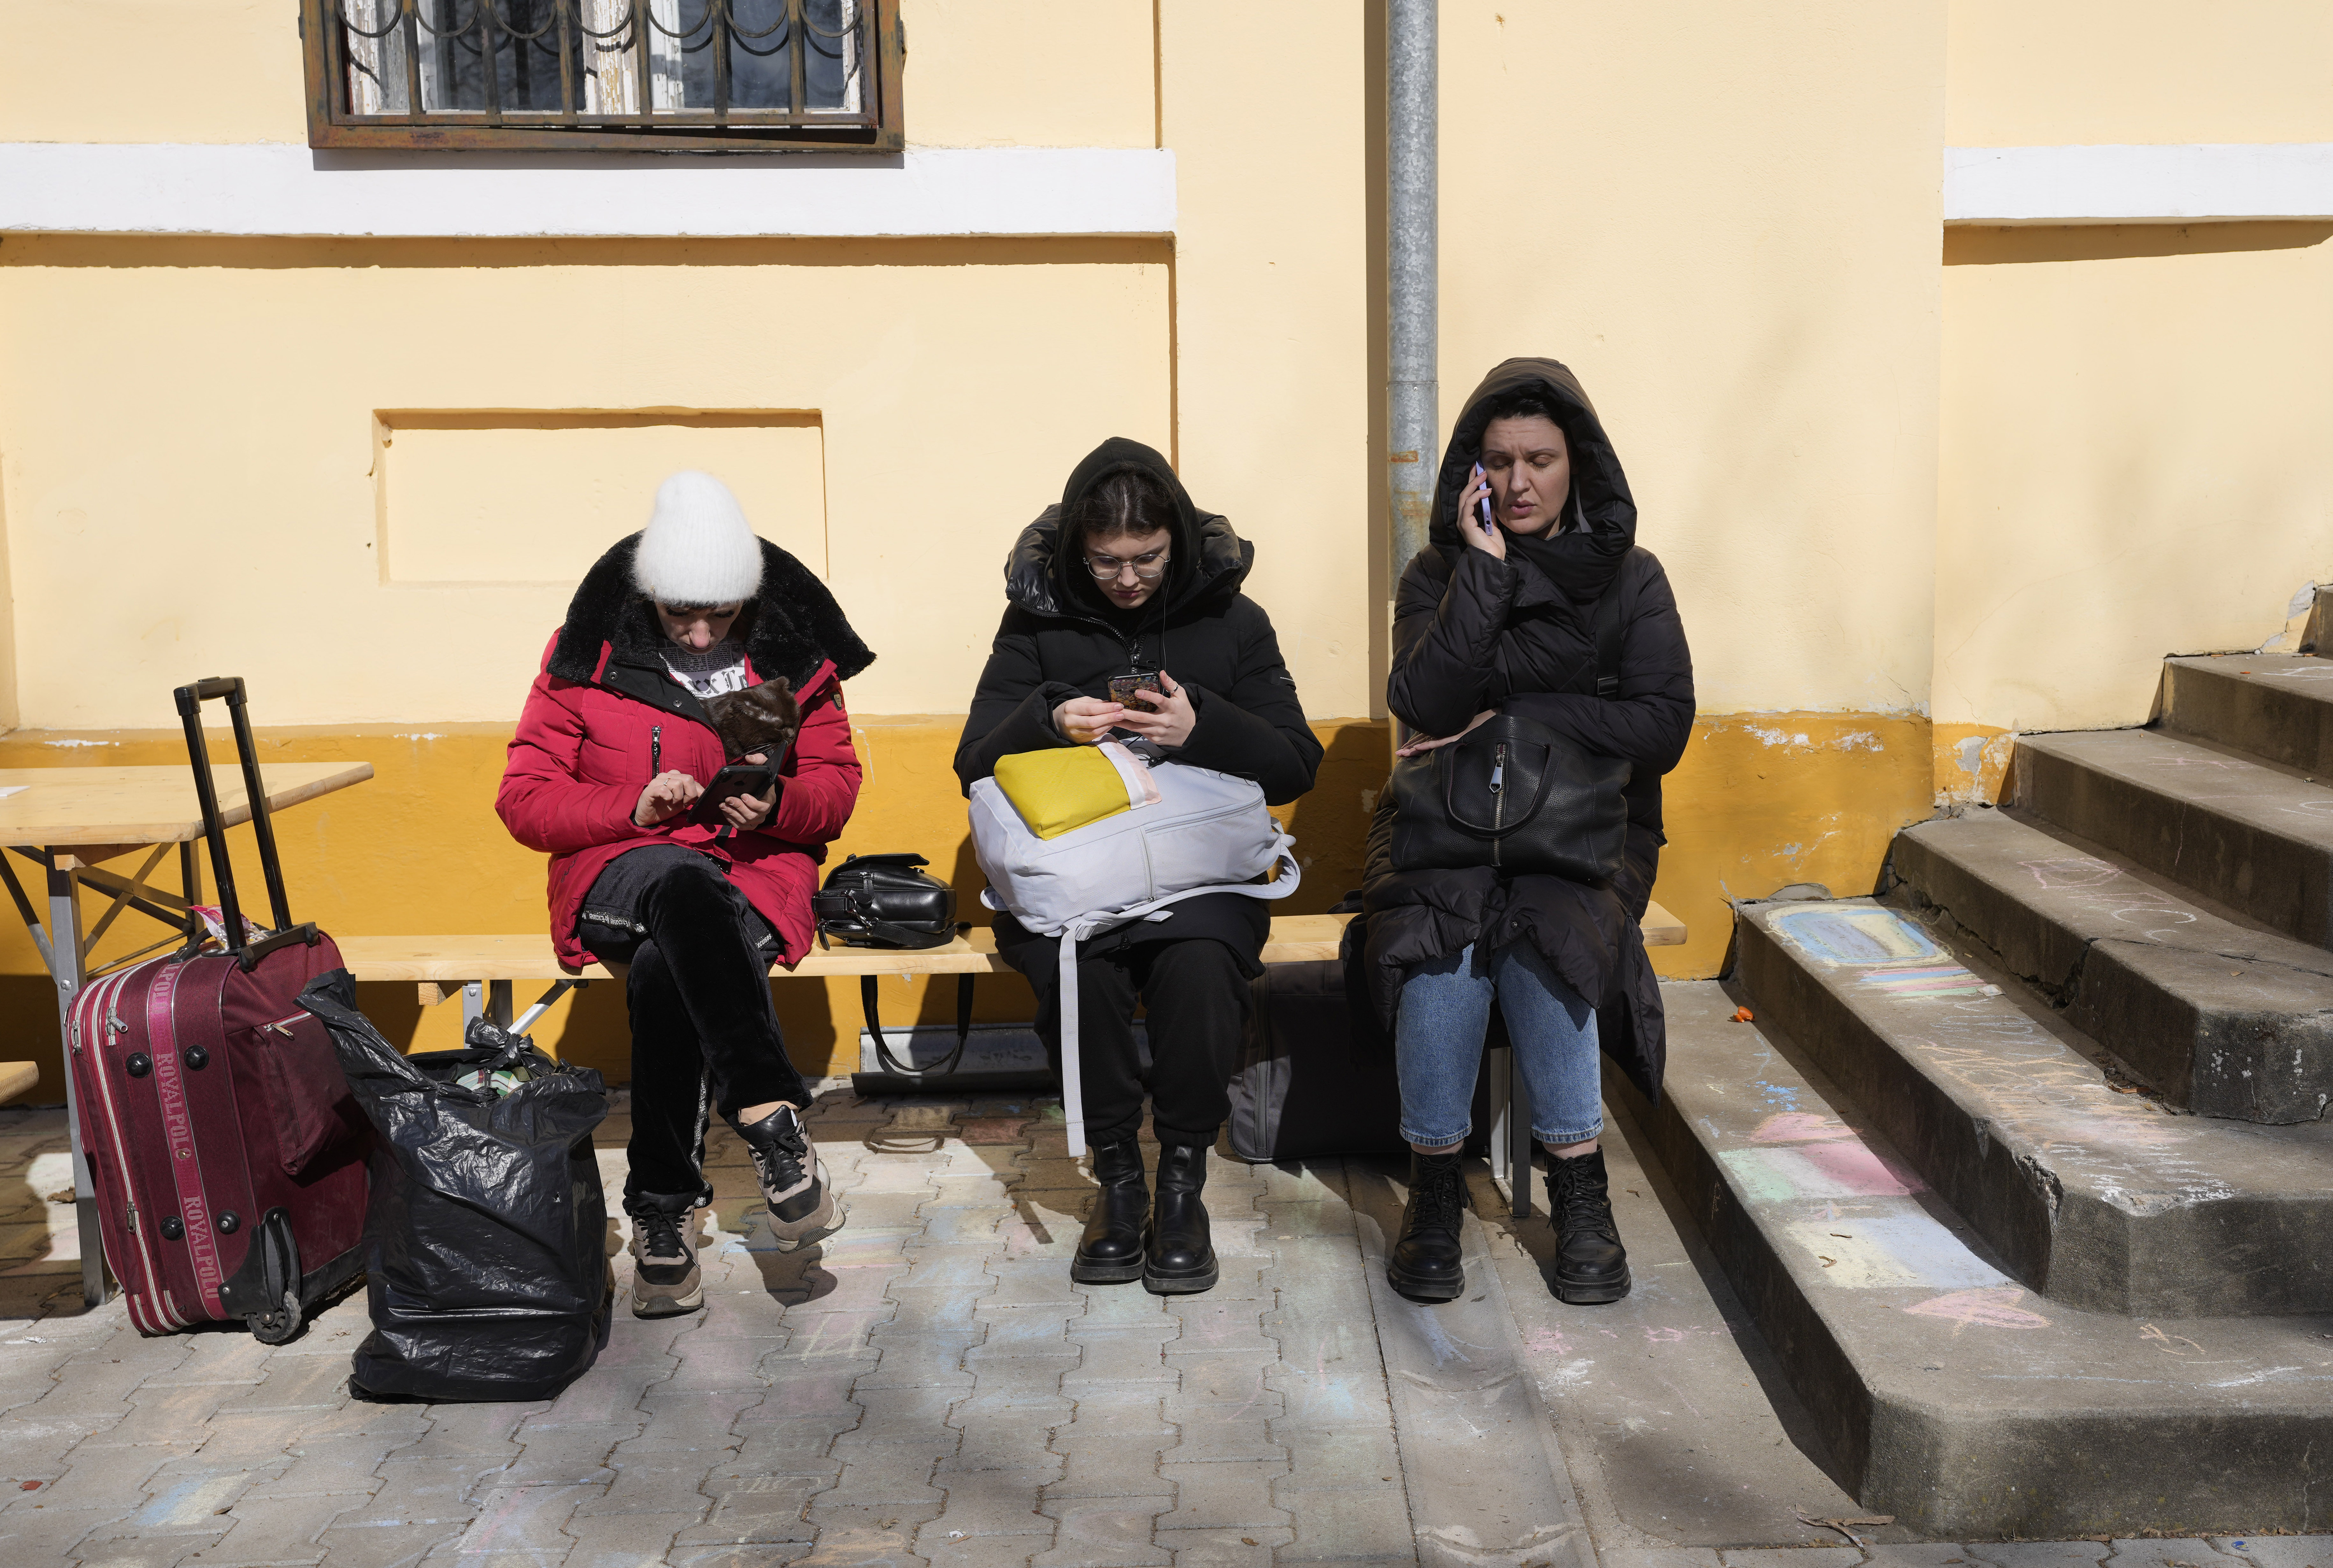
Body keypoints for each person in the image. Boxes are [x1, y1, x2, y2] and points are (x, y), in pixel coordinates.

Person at [497, 470, 874, 1319]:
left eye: (720, 613)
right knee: (676, 880)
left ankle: (662, 1212)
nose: (701, 632)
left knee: (670, 966)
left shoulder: (782, 661)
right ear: (648, 595)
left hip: (752, 875)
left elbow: (837, 792)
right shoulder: (586, 658)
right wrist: (627, 807)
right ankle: (773, 1119)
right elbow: (523, 801)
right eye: (679, 614)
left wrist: (778, 805)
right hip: (619, 868)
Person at [1362, 358, 1694, 1306]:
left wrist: (1513, 720)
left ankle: (1579, 1186)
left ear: (1577, 466)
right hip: (1446, 825)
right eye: (1497, 461)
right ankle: (1434, 1185)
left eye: (1540, 460)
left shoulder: (1631, 579)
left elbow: (1662, 727)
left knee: (1550, 932)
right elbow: (1421, 701)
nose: (1517, 484)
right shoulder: (1436, 574)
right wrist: (1484, 579)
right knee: (1438, 940)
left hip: (1587, 832)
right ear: (1471, 471)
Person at [956, 437, 1322, 1295]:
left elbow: (1297, 763)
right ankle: (1120, 1181)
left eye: (1147, 559)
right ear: (1079, 550)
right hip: (1078, 874)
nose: (1127, 581)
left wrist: (1204, 729)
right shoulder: (1038, 619)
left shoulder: (1235, 620)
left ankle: (1183, 1180)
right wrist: (1048, 715)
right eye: (1107, 562)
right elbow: (975, 757)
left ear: (1181, 542)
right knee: (1074, 967)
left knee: (1201, 969)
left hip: (1203, 872)